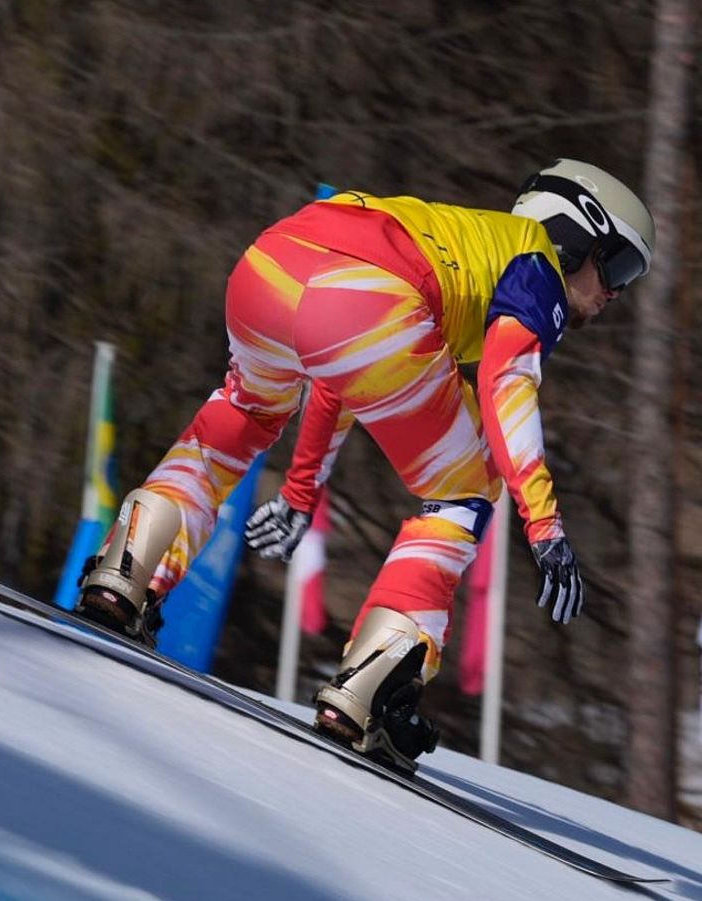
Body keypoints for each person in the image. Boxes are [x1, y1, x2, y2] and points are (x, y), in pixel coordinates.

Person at [77, 160, 654, 770]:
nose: (616, 292)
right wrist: (544, 524)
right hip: (367, 301)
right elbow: (507, 380)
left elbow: (335, 369)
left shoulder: (461, 235)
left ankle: (126, 570)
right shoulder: (535, 263)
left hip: (272, 263)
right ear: (574, 234)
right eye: (619, 266)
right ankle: (370, 688)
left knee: (242, 412)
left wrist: (302, 492)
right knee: (467, 490)